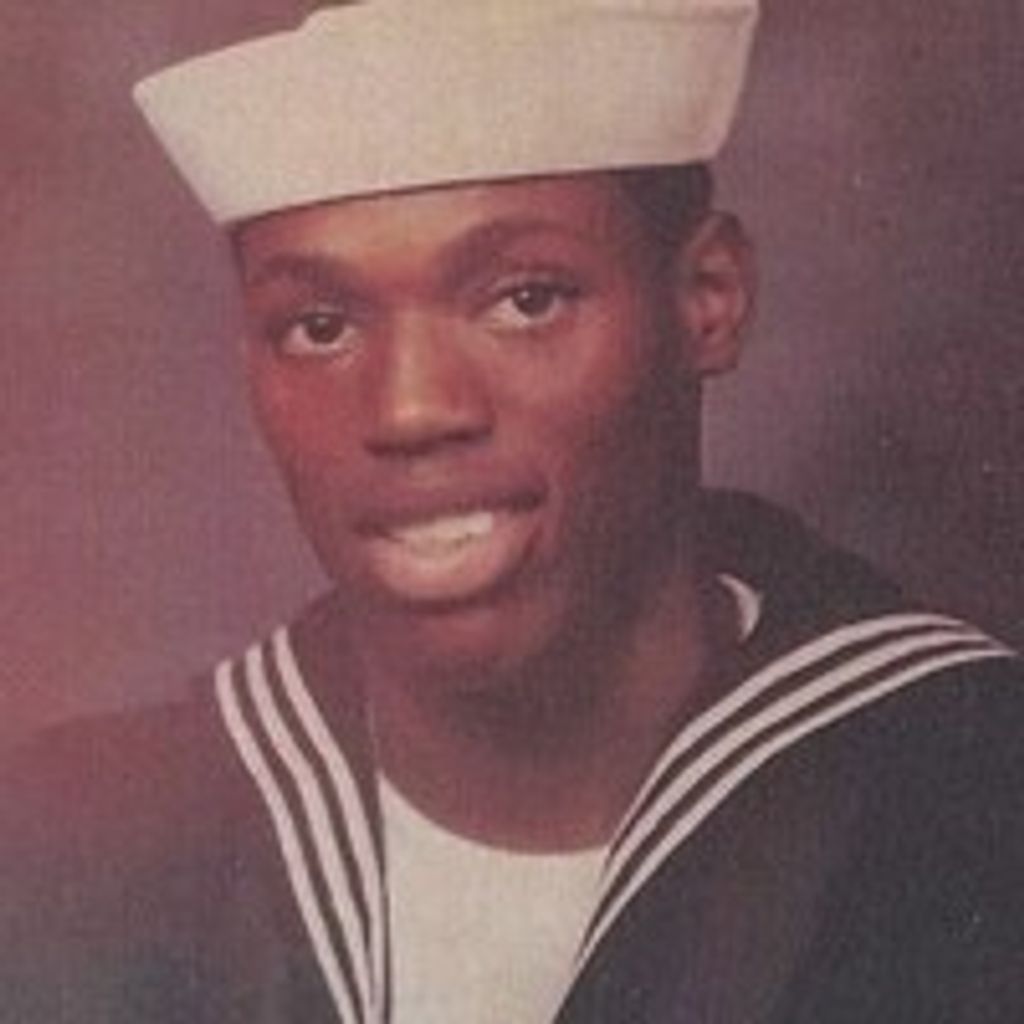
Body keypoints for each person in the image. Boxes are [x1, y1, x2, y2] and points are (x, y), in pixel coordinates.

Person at [2, 2, 1022, 1022]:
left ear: (707, 298)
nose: (410, 409)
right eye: (319, 325)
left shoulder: (973, 793)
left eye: (525, 299)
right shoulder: (63, 850)